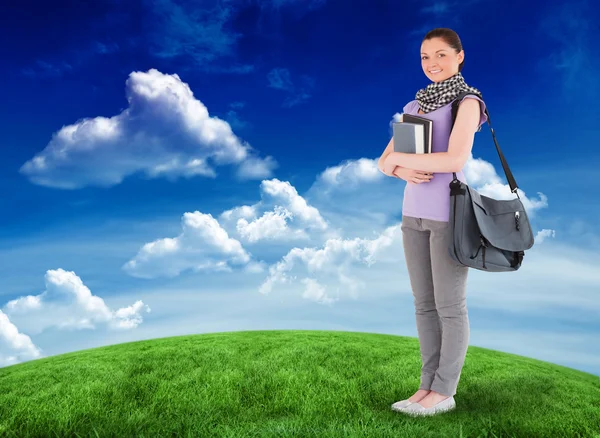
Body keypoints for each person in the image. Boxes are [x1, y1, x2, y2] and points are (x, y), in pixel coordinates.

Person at [377, 27, 488, 417]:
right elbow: (383, 161)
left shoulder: (468, 103)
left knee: (449, 306)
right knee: (424, 305)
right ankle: (425, 387)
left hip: (448, 216)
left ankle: (445, 391)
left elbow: (454, 160)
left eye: (441, 55)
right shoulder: (416, 104)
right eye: (425, 57)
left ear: (459, 56)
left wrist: (401, 164)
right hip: (412, 216)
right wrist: (398, 168)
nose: (432, 64)